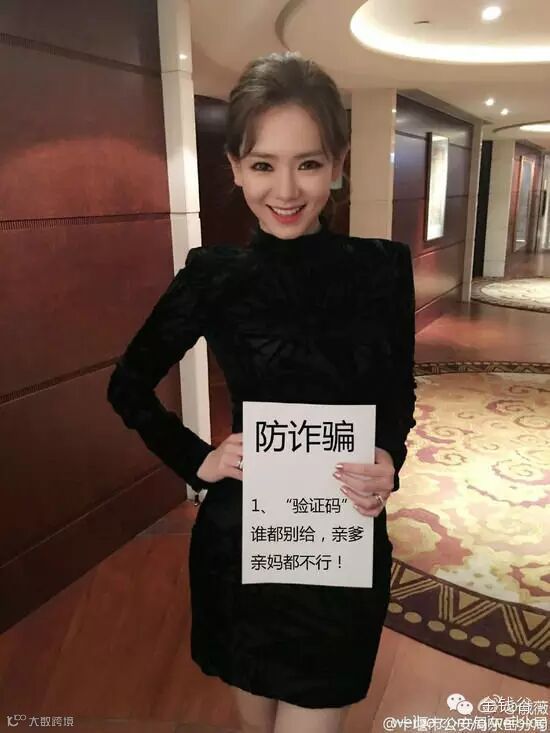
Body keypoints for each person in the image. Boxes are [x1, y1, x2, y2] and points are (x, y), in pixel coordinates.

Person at [107, 51, 417, 733]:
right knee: (255, 720)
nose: (286, 189)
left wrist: (389, 457)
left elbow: (397, 395)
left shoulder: (383, 270)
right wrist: (198, 459)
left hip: (340, 536)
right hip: (243, 543)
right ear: (235, 168)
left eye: (308, 163)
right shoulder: (214, 275)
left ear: (338, 164)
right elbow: (127, 384)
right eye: (262, 164)